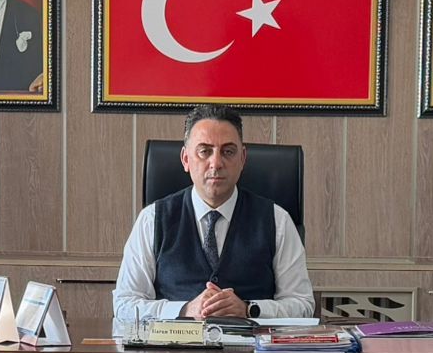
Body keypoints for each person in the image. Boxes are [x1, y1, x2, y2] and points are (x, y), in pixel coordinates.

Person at [112, 104, 315, 324]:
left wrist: (249, 309)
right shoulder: (152, 220)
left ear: (242, 159)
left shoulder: (277, 220)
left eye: (228, 152)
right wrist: (184, 309)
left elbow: (302, 305)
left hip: (252, 345)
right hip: (174, 345)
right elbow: (124, 305)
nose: (216, 163)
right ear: (185, 159)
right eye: (204, 151)